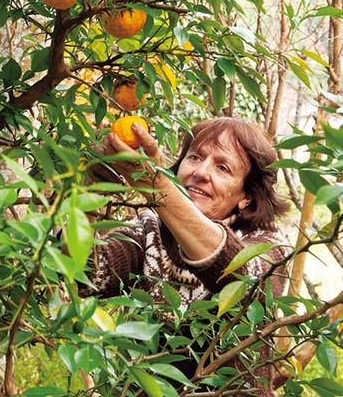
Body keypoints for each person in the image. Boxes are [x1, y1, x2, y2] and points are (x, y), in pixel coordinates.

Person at [84, 117, 290, 395]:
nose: (201, 172)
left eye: (222, 167)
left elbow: (242, 280)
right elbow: (85, 274)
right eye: (195, 157)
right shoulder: (149, 230)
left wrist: (157, 186)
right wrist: (88, 192)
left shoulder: (268, 246)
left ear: (247, 197)